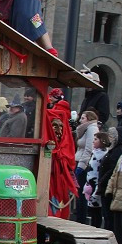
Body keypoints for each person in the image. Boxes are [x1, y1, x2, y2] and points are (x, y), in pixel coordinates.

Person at [44, 88, 77, 219]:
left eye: (60, 127)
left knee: (58, 205)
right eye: (54, 127)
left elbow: (69, 159)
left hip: (59, 179)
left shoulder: (65, 145)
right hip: (49, 179)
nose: (57, 131)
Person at [73, 111, 100, 224]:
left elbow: (89, 149)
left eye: (83, 118)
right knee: (78, 193)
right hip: (78, 160)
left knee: (82, 193)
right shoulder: (84, 129)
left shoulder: (91, 129)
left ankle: (81, 219)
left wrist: (81, 166)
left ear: (89, 119)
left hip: (83, 164)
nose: (80, 120)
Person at [84, 131, 111, 228]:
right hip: (90, 183)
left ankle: (96, 227)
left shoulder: (104, 154)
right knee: (92, 209)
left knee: (97, 210)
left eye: (96, 139)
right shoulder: (94, 153)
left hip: (97, 184)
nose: (93, 141)